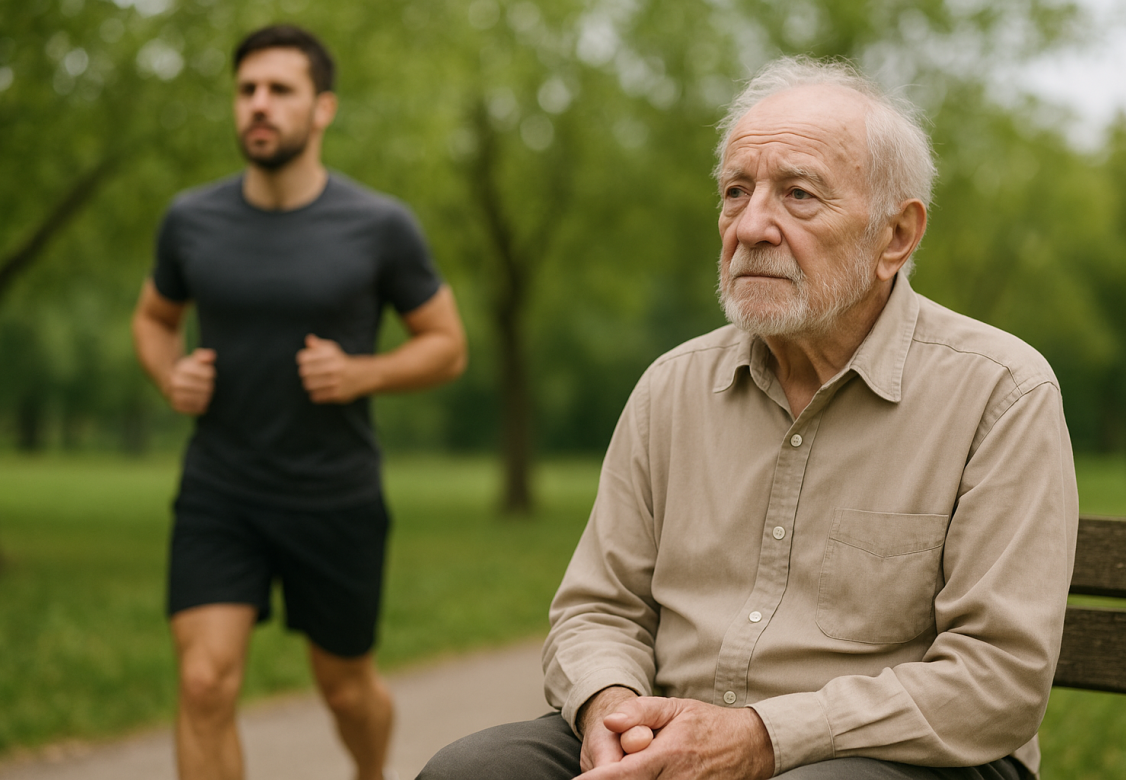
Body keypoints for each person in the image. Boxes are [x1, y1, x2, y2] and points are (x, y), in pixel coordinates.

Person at [416, 56, 1077, 780]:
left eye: (798, 194)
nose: (752, 225)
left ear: (896, 237)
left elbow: (997, 681)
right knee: (469, 770)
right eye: (736, 192)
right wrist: (613, 713)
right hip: (669, 727)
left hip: (898, 755)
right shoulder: (672, 387)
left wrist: (760, 737)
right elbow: (598, 610)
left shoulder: (1000, 392)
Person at [131, 24, 466, 780]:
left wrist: (364, 373)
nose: (258, 104)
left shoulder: (380, 226)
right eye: (247, 90)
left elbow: (447, 344)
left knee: (346, 692)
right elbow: (154, 319)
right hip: (221, 488)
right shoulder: (191, 220)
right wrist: (167, 374)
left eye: (280, 90)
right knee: (203, 682)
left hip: (333, 493)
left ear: (322, 110)